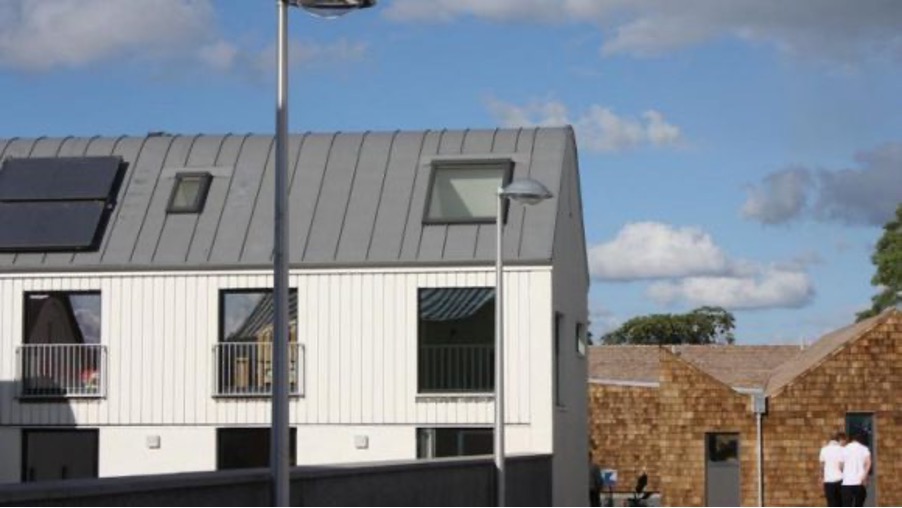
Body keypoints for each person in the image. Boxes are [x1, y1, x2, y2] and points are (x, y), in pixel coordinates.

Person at [840, 432, 871, 507]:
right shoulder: (864, 449)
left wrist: (844, 472)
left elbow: (840, 465)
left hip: (846, 483)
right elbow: (869, 463)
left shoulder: (844, 449)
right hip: (859, 482)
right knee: (859, 505)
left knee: (846, 505)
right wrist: (865, 475)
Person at [819, 432, 846, 507]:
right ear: (838, 440)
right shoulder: (842, 449)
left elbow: (822, 466)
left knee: (831, 503)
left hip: (828, 481)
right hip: (841, 480)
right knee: (841, 503)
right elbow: (842, 466)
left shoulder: (824, 449)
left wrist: (821, 478)